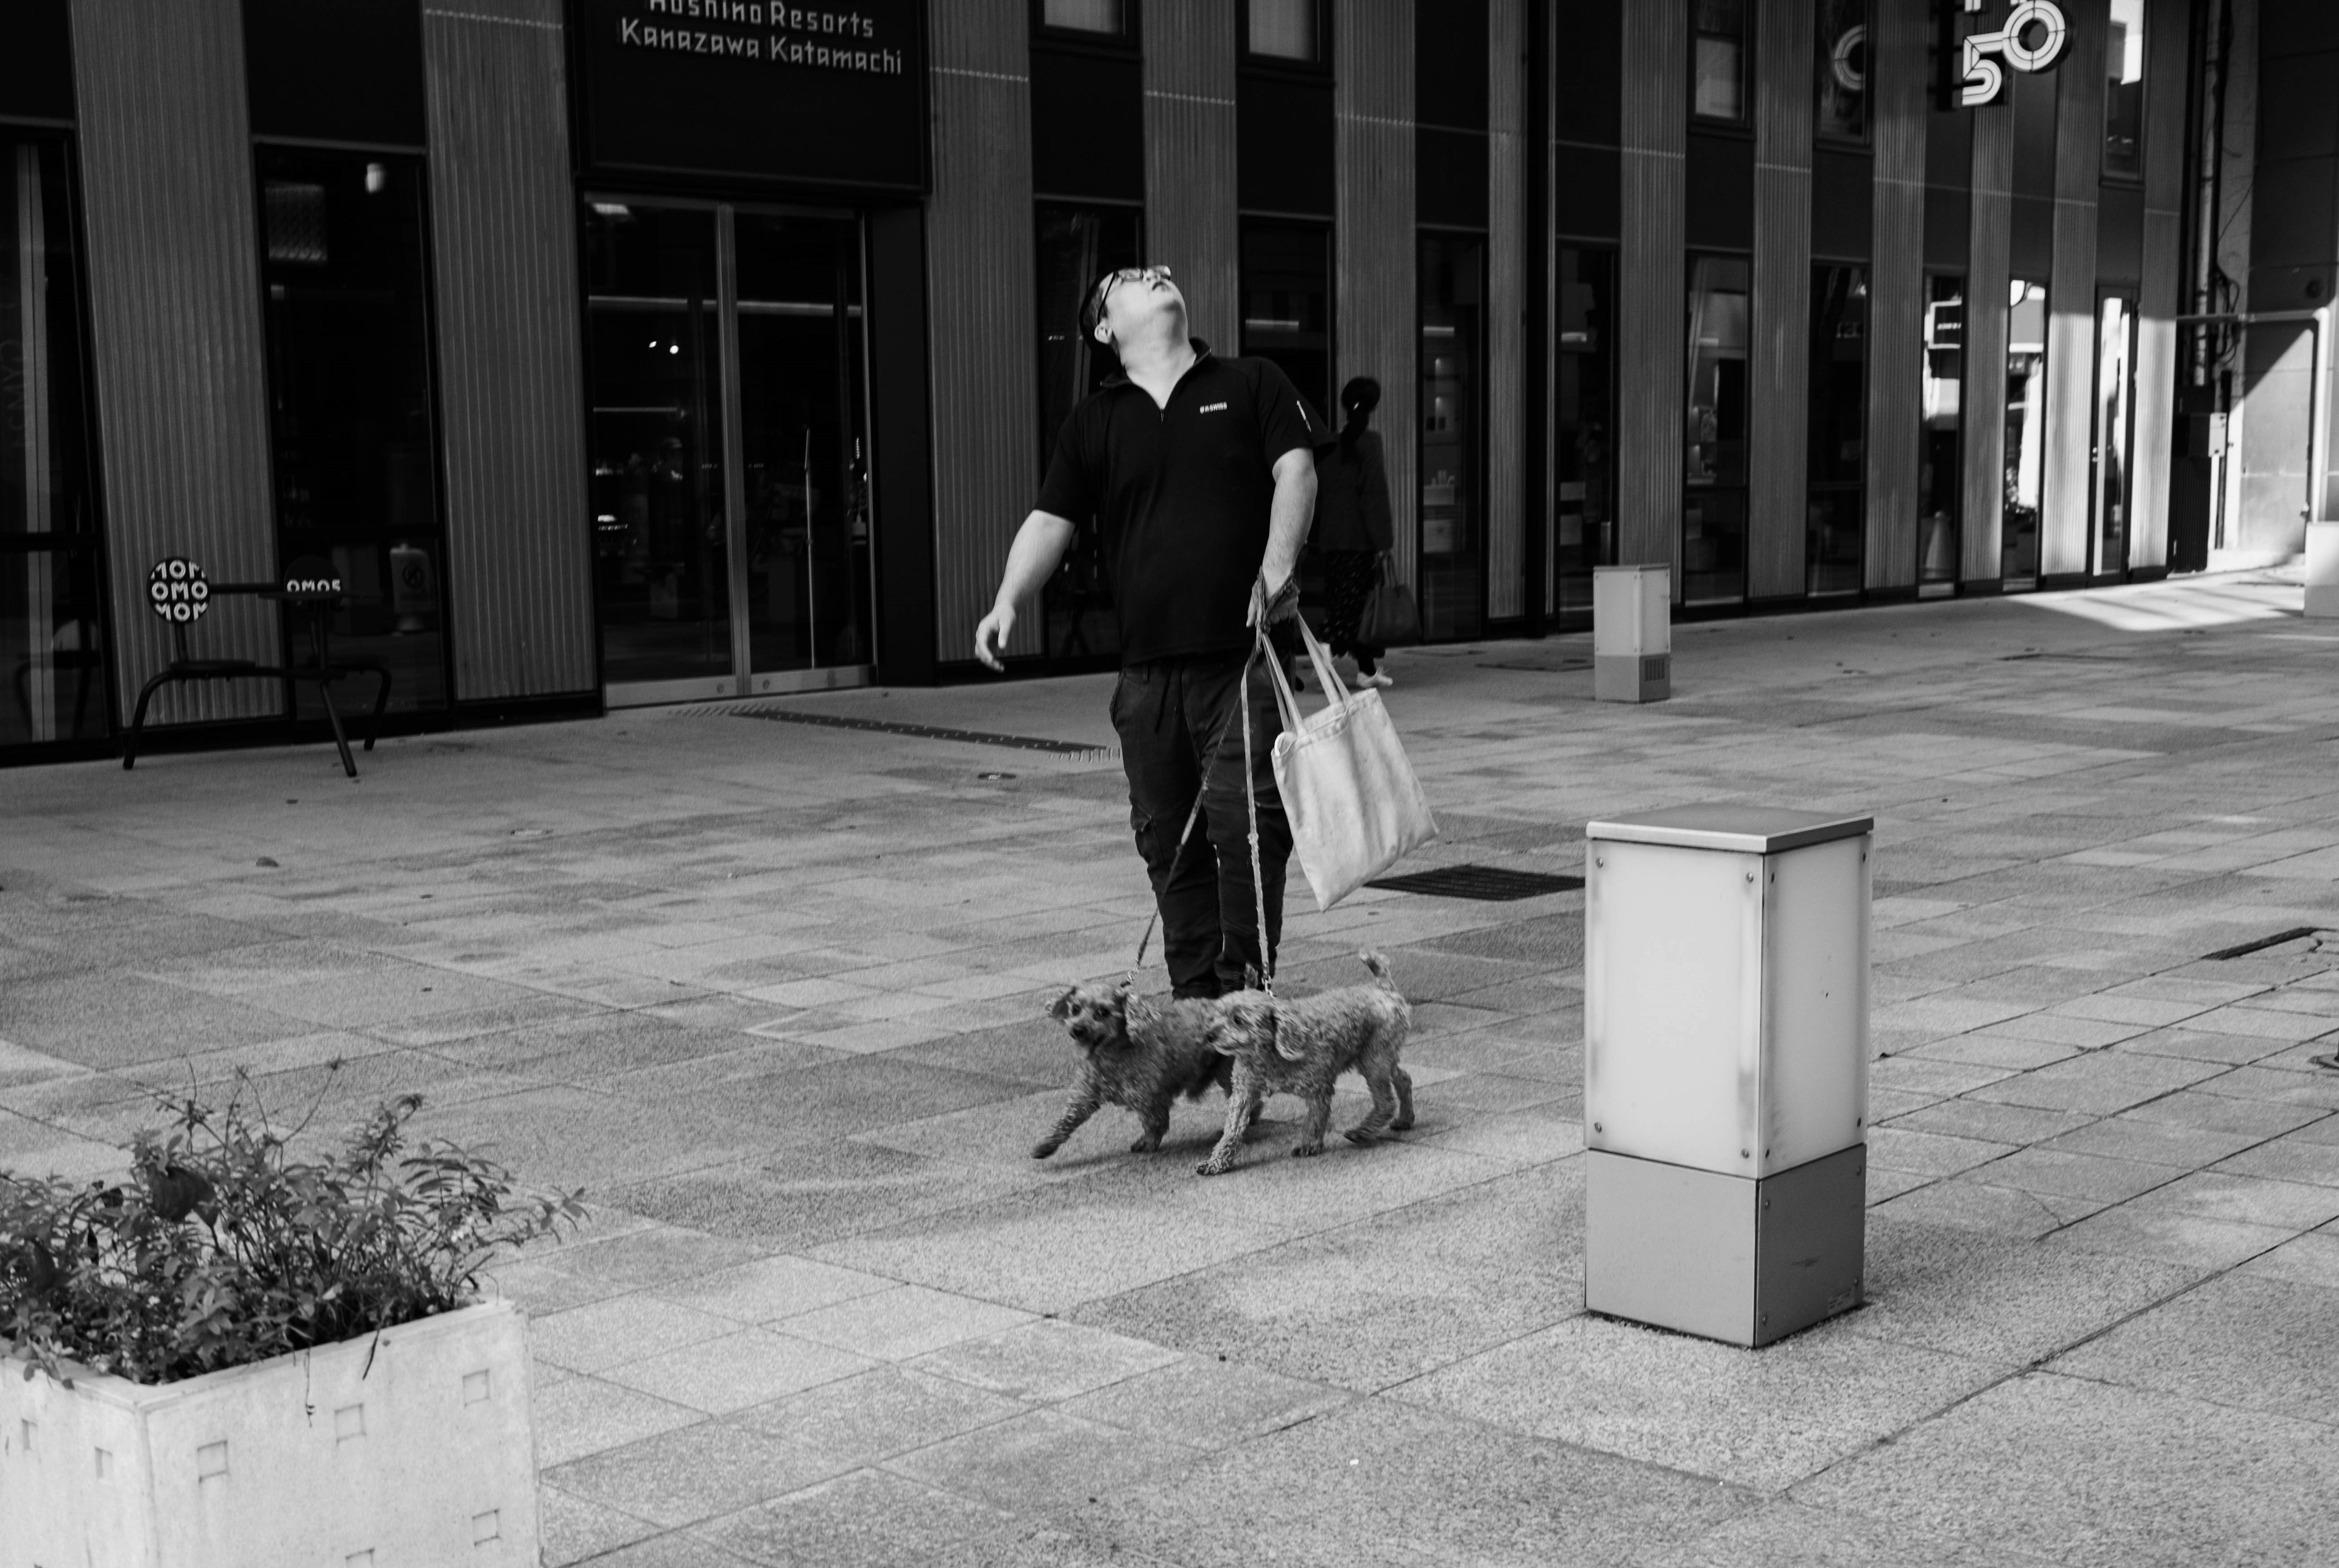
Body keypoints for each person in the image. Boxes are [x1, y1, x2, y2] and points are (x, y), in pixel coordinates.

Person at [975, 264, 1319, 998]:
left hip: (1241, 662)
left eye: (1162, 272)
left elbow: (1297, 470)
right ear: (1105, 329)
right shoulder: (1094, 421)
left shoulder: (1251, 381)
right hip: (1146, 680)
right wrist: (1009, 598)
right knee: (1169, 847)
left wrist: (1276, 565)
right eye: (1130, 279)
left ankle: (1246, 1007)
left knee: (1250, 838)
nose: (1157, 276)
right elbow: (1049, 520)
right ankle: (1197, 1013)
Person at [1313, 376, 1396, 689]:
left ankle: (1366, 670)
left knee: (1350, 601)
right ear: (1373, 406)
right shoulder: (1369, 442)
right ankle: (1329, 647)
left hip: (1333, 540)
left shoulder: (1331, 444)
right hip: (1360, 542)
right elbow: (1374, 495)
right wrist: (1384, 542)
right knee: (1357, 604)